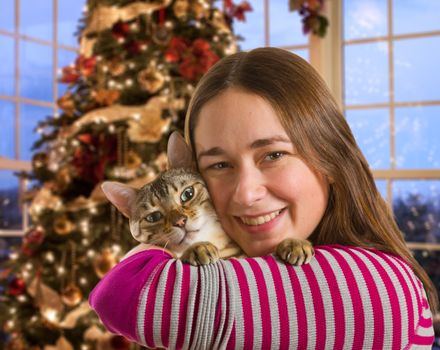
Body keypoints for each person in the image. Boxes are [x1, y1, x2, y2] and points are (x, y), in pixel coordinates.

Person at [89, 47, 437, 349]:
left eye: (273, 155)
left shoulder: (382, 289)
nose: (246, 192)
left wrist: (149, 251)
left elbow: (123, 291)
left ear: (330, 159)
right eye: (220, 164)